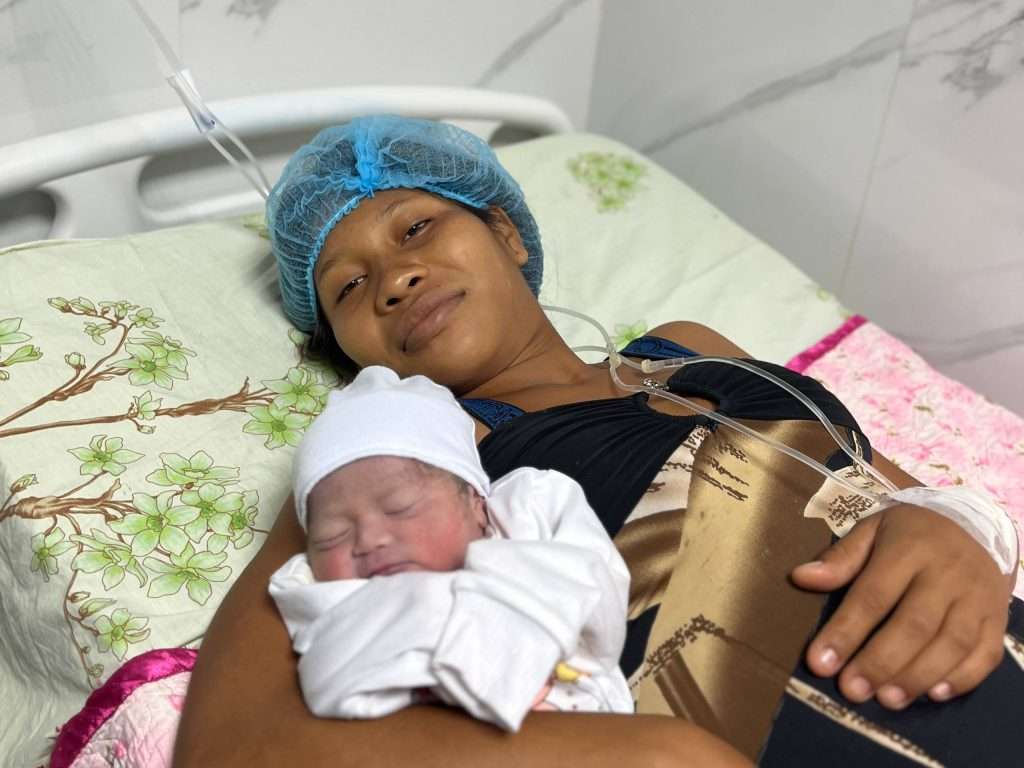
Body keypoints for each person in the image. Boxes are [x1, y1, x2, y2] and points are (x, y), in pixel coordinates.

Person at [173, 116, 1021, 768]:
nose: (394, 279)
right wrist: (645, 755)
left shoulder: (687, 348)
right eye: (349, 287)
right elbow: (233, 743)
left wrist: (963, 527)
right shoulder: (393, 460)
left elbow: (895, 491)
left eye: (417, 228)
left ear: (506, 233)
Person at [267, 365, 634, 731]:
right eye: (333, 535)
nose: (369, 540)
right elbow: (329, 674)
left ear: (476, 503)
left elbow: (594, 587)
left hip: (598, 733)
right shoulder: (314, 597)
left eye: (400, 507)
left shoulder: (528, 514)